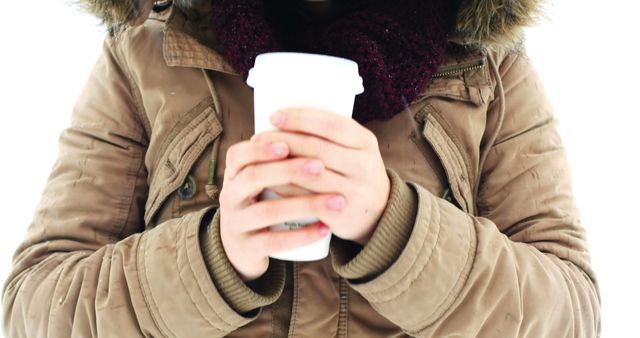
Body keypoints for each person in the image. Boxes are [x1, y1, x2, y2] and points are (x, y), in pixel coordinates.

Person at [2, 0, 601, 337]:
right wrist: (211, 260)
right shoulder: (144, 55)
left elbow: (571, 315)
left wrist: (399, 231)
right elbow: (34, 308)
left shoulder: (491, 68)